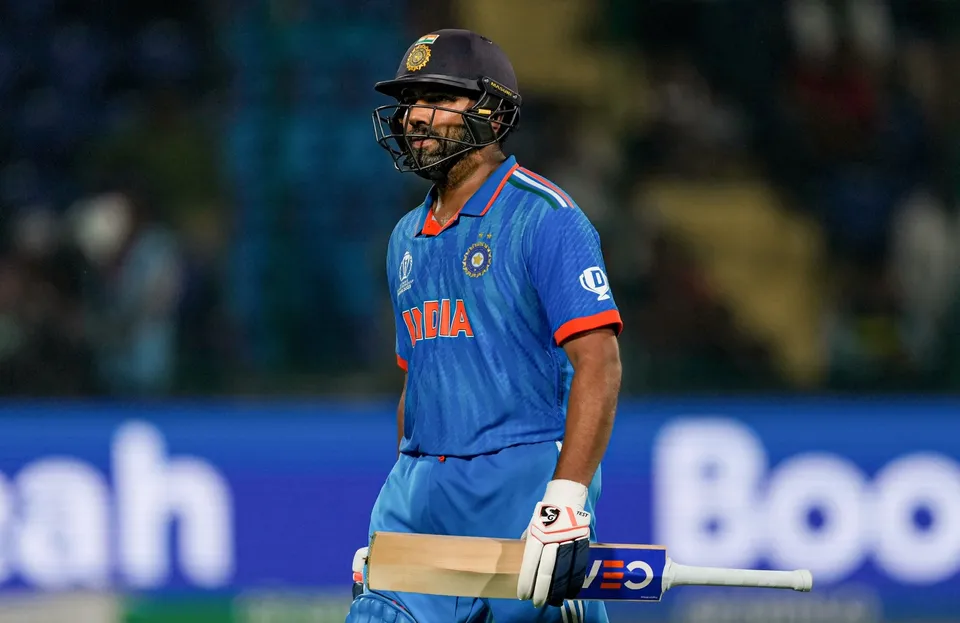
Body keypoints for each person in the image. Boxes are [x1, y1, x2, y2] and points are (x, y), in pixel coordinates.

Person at [347, 29, 623, 623]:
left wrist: (567, 499)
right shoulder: (404, 238)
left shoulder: (546, 218)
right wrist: (398, 517)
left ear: (493, 115)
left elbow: (598, 363)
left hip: (520, 482)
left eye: (439, 99)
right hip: (421, 486)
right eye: (411, 101)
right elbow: (417, 384)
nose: (417, 117)